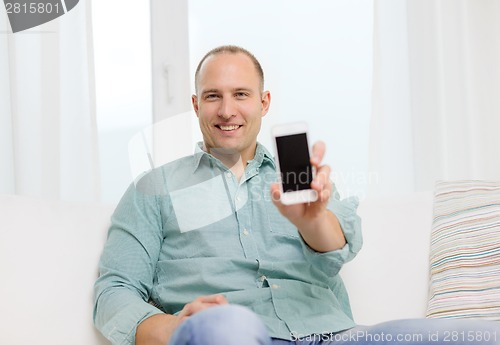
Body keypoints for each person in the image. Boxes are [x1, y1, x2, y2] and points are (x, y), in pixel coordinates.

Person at [94, 45, 499, 345]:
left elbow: (339, 242)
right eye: (213, 96)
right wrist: (176, 328)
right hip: (229, 334)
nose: (227, 110)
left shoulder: (298, 175)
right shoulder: (153, 188)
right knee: (227, 327)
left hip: (335, 335)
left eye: (241, 94)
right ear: (196, 105)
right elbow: (114, 292)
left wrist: (313, 221)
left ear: (264, 103)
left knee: (479, 336)